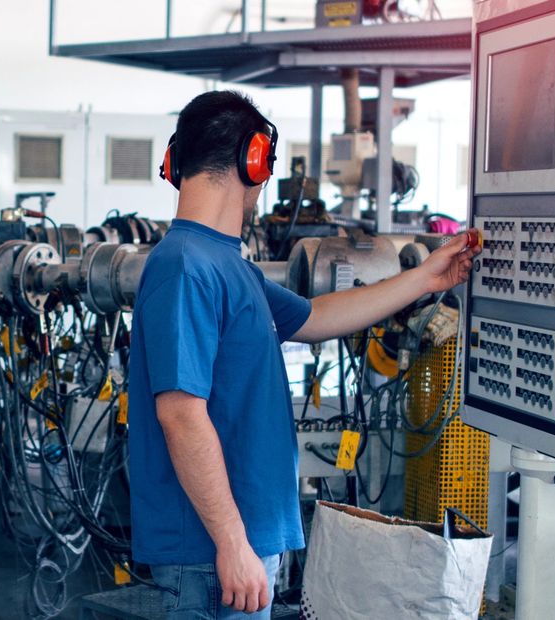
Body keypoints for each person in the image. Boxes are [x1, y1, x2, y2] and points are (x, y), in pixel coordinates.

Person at [126, 91, 479, 619]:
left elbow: (316, 318)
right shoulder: (185, 266)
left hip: (239, 542)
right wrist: (231, 542)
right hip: (209, 555)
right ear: (255, 159)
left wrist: (425, 277)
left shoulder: (229, 265)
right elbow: (180, 415)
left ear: (176, 162)